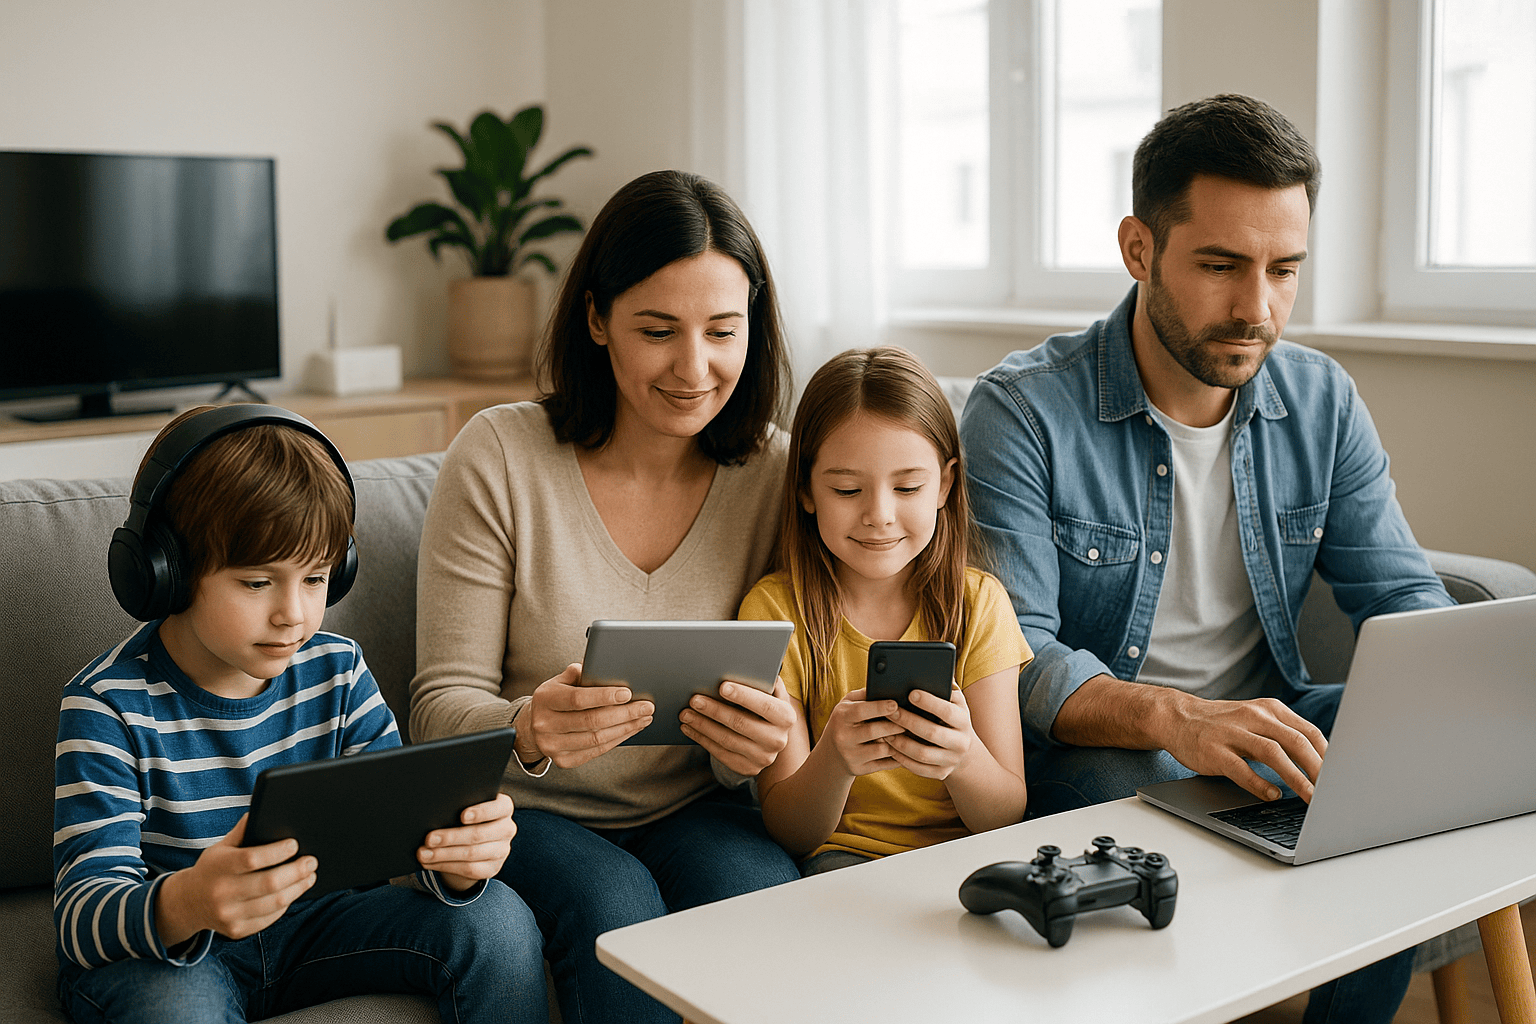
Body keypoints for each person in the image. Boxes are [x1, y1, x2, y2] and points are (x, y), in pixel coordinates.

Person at [961, 93, 1454, 1023]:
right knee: (1128, 788)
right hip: (1103, 745)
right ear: (1139, 249)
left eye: (1284, 270)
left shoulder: (1321, 400)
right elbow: (1016, 657)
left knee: (1405, 757)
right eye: (1221, 266)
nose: (1256, 309)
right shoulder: (1022, 412)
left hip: (1268, 718)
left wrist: (1454, 696)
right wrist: (1178, 718)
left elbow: (1400, 594)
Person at [409, 169, 801, 1024]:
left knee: (766, 896)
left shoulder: (775, 471)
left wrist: (753, 744)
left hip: (695, 806)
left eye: (722, 331)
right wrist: (527, 727)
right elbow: (435, 708)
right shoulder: (500, 455)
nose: (694, 368)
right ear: (596, 320)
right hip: (528, 811)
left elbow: (787, 690)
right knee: (614, 904)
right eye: (657, 331)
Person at [54, 405, 546, 1024]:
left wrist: (454, 863)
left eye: (315, 578)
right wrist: (189, 901)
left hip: (316, 925)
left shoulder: (337, 671)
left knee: (496, 919)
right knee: (178, 1007)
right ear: (167, 573)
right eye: (257, 583)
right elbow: (81, 914)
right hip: (177, 954)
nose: (294, 614)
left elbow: (397, 843)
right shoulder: (107, 704)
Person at [739, 346, 1030, 875]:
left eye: (908, 487)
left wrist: (962, 757)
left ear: (944, 485)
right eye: (847, 489)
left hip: (964, 860)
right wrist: (834, 761)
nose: (879, 515)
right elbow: (791, 831)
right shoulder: (774, 612)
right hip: (841, 860)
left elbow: (1006, 814)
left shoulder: (980, 604)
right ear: (806, 489)